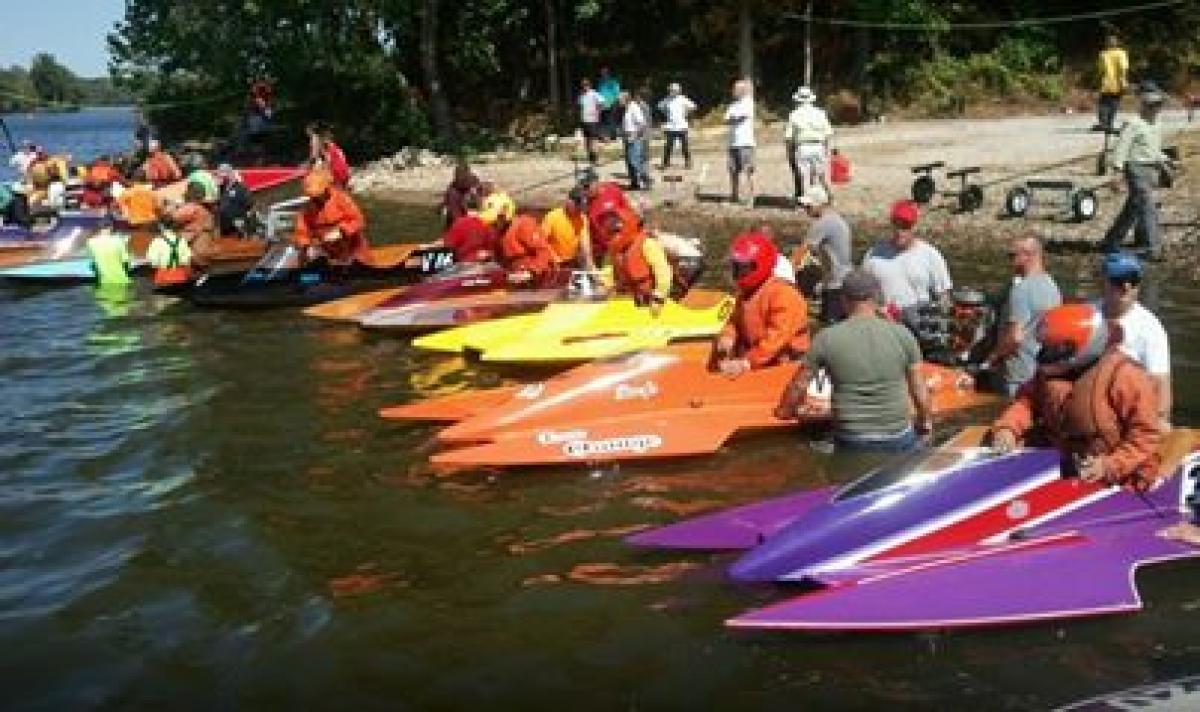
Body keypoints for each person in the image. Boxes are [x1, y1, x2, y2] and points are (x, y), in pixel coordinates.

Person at [987, 303, 1162, 490]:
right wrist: (1007, 429)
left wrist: (1109, 465)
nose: (1045, 355)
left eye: (1053, 350)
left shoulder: (1126, 376)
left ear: (1079, 350)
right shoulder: (1049, 374)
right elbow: (1027, 403)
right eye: (1045, 348)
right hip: (1067, 465)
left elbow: (1146, 436)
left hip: (1120, 479)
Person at [775, 269, 934, 452]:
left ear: (843, 300)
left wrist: (784, 411)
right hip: (897, 436)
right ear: (877, 297)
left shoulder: (826, 338)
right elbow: (919, 389)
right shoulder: (902, 334)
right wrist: (925, 423)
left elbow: (799, 385)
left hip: (851, 438)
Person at [713, 231, 811, 376]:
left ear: (759, 265)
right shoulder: (746, 292)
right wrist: (728, 336)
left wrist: (746, 363)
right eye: (737, 268)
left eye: (744, 268)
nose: (740, 273)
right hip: (759, 360)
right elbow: (734, 321)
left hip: (785, 367)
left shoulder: (784, 294)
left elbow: (777, 338)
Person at [1097, 252, 1173, 432]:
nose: (1126, 286)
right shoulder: (1088, 316)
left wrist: (1160, 421)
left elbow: (1160, 383)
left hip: (1129, 416)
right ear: (1103, 282)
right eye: (1118, 279)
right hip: (1091, 407)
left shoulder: (1150, 328)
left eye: (1133, 279)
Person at [979, 236, 1062, 397]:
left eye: (1012, 256)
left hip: (1016, 373)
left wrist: (991, 358)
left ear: (1028, 256)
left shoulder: (1021, 290)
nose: (1009, 261)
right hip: (1039, 370)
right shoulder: (1052, 286)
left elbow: (1014, 337)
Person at [1100, 85, 1173, 260]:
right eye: (1152, 105)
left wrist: (1165, 160)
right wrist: (1116, 172)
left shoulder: (1157, 124)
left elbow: (1153, 148)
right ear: (1144, 105)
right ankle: (1152, 247)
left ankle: (1111, 240)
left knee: (1133, 207)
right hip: (1135, 169)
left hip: (1151, 169)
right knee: (1147, 205)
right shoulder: (1133, 124)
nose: (1156, 108)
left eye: (1159, 105)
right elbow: (1121, 148)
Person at [862, 200, 953, 312]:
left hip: (919, 322)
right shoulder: (873, 255)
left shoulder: (931, 255)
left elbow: (944, 295)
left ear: (914, 226)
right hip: (884, 321)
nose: (900, 232)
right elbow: (864, 294)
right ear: (891, 224)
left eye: (905, 226)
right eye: (897, 225)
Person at [600, 205, 672, 314]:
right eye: (611, 228)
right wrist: (601, 287)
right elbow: (608, 272)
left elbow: (664, 273)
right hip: (625, 301)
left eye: (618, 228)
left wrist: (659, 298)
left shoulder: (648, 244)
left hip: (649, 303)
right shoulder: (613, 249)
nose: (613, 230)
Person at [798, 186, 853, 323]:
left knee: (830, 324)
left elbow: (802, 251)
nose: (806, 210)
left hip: (835, 283)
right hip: (843, 278)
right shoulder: (836, 220)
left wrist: (785, 273)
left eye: (808, 206)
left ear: (819, 205)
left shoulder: (823, 224)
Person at [293, 168, 370, 264]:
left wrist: (341, 231)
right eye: (312, 196)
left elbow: (359, 221)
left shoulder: (342, 199)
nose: (315, 198)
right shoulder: (307, 208)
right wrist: (304, 246)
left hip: (352, 247)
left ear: (326, 189)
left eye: (318, 194)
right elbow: (302, 231)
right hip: (328, 251)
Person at [478, 192, 556, 285]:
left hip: (539, 280)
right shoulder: (499, 232)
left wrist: (531, 271)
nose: (492, 224)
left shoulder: (524, 225)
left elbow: (544, 251)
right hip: (515, 278)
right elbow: (501, 257)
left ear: (505, 215)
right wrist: (489, 257)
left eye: (495, 221)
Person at [784, 86, 834, 202]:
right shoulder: (820, 113)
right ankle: (829, 196)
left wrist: (789, 152)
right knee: (822, 175)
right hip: (818, 146)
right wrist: (827, 150)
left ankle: (808, 201)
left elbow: (789, 137)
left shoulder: (794, 114)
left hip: (803, 147)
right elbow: (828, 133)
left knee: (805, 176)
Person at [163, 182, 217, 266]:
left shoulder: (192, 208)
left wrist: (169, 208)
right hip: (202, 252)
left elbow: (169, 220)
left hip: (194, 256)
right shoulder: (204, 210)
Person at [725, 78, 756, 205]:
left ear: (742, 90)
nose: (733, 91)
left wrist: (734, 118)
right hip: (732, 143)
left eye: (736, 89)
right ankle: (734, 195)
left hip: (745, 143)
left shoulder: (748, 102)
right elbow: (727, 119)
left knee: (748, 171)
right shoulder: (733, 105)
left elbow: (740, 118)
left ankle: (751, 198)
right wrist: (733, 118)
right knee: (733, 171)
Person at [541, 187, 590, 266]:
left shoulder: (582, 219)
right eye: (577, 207)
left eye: (581, 208)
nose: (579, 210)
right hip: (551, 261)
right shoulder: (552, 217)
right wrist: (553, 257)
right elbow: (541, 242)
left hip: (571, 261)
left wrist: (589, 264)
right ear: (569, 201)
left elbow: (585, 246)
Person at [658, 82, 697, 170]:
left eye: (675, 90)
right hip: (670, 127)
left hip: (682, 126)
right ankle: (665, 163)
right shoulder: (666, 99)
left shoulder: (683, 99)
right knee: (668, 146)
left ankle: (688, 162)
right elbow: (660, 106)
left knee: (685, 146)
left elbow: (693, 106)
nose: (673, 92)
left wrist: (686, 113)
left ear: (678, 91)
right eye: (671, 90)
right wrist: (666, 113)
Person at [1096, 35, 1129, 132]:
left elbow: (1101, 70)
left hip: (1106, 82)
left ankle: (1103, 123)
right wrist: (1123, 80)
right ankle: (1109, 123)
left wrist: (1099, 80)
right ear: (1116, 43)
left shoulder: (1103, 54)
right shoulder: (1121, 53)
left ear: (1107, 44)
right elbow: (1123, 68)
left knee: (1103, 103)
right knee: (1114, 103)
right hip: (1119, 82)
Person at [620, 91, 652, 191]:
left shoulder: (634, 108)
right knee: (629, 162)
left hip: (634, 137)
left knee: (635, 161)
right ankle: (634, 183)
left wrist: (635, 136)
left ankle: (646, 181)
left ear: (626, 99)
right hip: (627, 136)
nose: (619, 101)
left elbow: (642, 124)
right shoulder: (627, 108)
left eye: (620, 99)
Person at [145, 223, 194, 287]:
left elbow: (152, 261)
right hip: (179, 275)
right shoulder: (182, 240)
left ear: (162, 229)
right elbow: (187, 260)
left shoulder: (157, 241)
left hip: (163, 275)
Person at [86, 220, 133, 286]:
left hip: (104, 282)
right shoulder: (119, 241)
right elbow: (126, 262)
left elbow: (92, 261)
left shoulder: (91, 242)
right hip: (122, 281)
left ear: (99, 229)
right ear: (111, 228)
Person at [441, 159, 484, 228]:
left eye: (461, 175)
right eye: (457, 175)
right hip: (457, 219)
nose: (459, 178)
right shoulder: (453, 186)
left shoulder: (474, 184)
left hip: (470, 219)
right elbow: (446, 202)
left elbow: (479, 202)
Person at [215, 164, 254, 235]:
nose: (222, 178)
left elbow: (249, 205)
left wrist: (243, 221)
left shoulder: (241, 188)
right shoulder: (220, 189)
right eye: (221, 176)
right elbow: (218, 205)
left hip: (238, 226)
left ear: (230, 174)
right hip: (224, 227)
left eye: (224, 176)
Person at [578, 79, 604, 164]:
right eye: (583, 85)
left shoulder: (594, 94)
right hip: (584, 120)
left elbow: (602, 102)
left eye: (586, 85)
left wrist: (598, 113)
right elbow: (580, 107)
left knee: (594, 140)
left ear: (589, 85)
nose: (584, 87)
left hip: (593, 121)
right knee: (586, 140)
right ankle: (590, 157)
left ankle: (596, 158)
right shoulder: (581, 96)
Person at [597, 67, 621, 141]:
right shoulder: (600, 83)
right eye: (602, 73)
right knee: (603, 121)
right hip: (602, 105)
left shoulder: (613, 82)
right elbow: (599, 94)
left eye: (604, 72)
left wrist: (615, 102)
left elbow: (617, 93)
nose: (603, 74)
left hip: (611, 104)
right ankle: (604, 136)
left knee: (611, 120)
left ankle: (613, 136)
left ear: (608, 73)